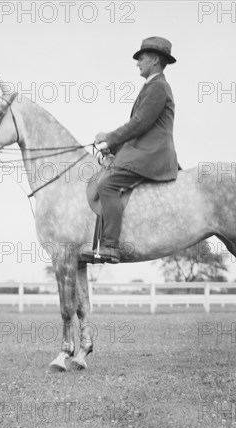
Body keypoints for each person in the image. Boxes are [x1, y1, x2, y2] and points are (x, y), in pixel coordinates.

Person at [80, 36, 180, 264]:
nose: (137, 63)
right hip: (143, 150)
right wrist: (113, 147)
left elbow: (139, 124)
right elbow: (140, 126)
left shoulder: (158, 87)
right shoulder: (153, 86)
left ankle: (110, 247)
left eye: (141, 58)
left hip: (152, 154)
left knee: (107, 184)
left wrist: (109, 137)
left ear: (154, 60)